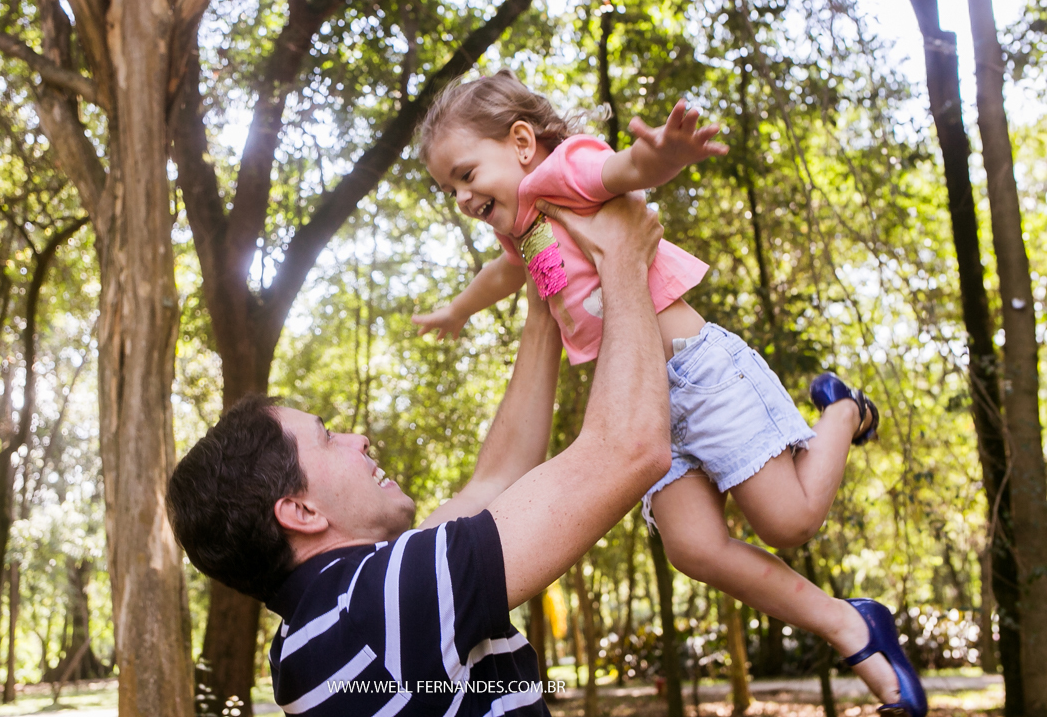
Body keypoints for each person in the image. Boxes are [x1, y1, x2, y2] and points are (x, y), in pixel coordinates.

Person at [413, 70, 925, 716]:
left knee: (789, 522)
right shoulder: (521, 230)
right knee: (693, 549)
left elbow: (621, 170)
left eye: (465, 173)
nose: (460, 196)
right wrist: (458, 311)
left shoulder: (561, 173)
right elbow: (501, 275)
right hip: (641, 406)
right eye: (448, 188)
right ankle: (849, 623)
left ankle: (843, 409)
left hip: (698, 375)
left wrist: (664, 156)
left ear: (520, 142)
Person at [168, 197, 675, 716]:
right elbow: (629, 447)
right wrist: (622, 257)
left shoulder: (327, 629)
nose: (358, 439)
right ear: (301, 511)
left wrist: (543, 287)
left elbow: (494, 480)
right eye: (326, 437)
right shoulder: (375, 605)